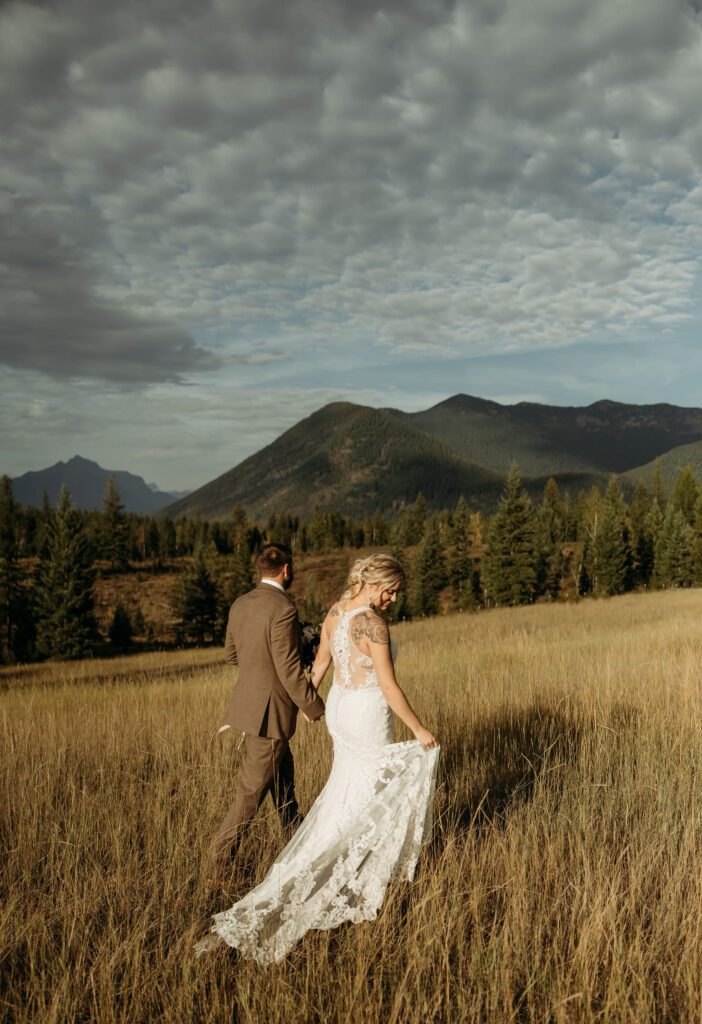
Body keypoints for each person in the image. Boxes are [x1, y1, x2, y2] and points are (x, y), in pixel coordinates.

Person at [197, 553, 439, 963]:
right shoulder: (373, 624)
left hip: (340, 711)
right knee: (364, 791)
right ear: (375, 584)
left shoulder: (335, 612)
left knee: (347, 786)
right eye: (392, 591)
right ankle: (343, 863)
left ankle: (334, 854)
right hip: (365, 712)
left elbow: (320, 664)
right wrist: (419, 730)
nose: (394, 599)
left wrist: (304, 704)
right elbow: (388, 686)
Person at [205, 543, 325, 884]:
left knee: (284, 787)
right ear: (286, 569)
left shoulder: (240, 603)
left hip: (250, 706)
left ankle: (298, 844)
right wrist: (313, 706)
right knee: (251, 791)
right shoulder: (283, 608)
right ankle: (219, 863)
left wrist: (259, 668)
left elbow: (232, 654)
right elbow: (289, 670)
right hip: (271, 713)